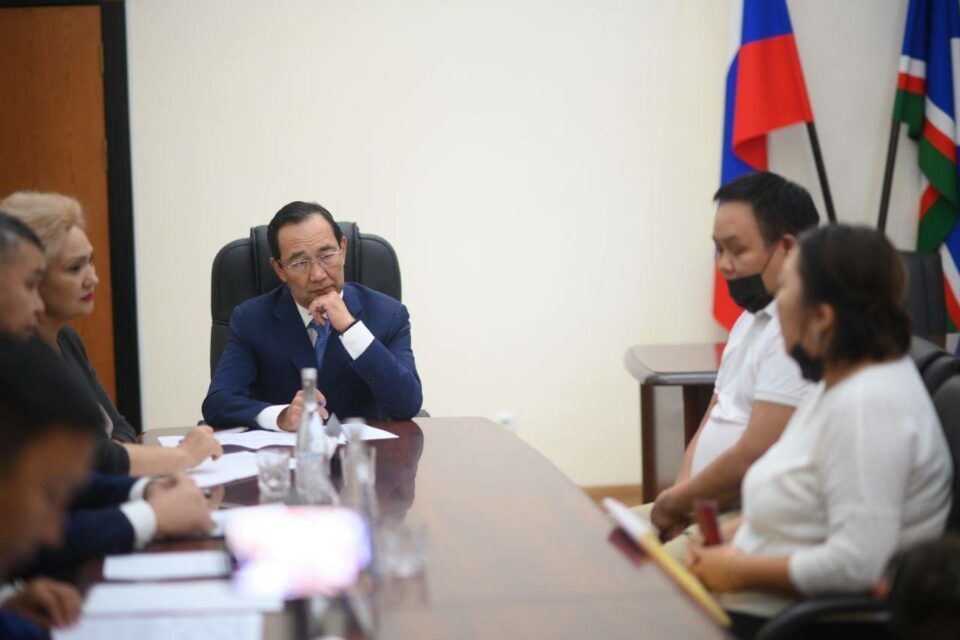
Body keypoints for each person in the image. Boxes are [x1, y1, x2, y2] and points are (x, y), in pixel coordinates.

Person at [688, 225, 952, 637]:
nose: (776, 304)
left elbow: (857, 564)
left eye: (786, 288)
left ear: (822, 317)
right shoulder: (838, 380)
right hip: (753, 602)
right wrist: (724, 536)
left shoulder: (870, 406)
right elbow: (795, 501)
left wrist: (737, 570)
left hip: (793, 622)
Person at [641, 172, 817, 557]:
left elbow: (755, 455)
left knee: (639, 569)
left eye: (736, 250)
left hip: (747, 514)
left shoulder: (798, 330)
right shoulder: (750, 319)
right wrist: (680, 498)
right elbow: (715, 413)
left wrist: (679, 503)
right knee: (603, 541)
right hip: (702, 506)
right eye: (718, 249)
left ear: (788, 248)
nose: (723, 265)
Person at [0, 193, 222, 476]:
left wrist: (111, 465)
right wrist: (183, 456)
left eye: (90, 261)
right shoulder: (16, 359)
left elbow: (119, 428)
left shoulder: (66, 338)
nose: (92, 278)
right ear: (35, 275)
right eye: (74, 268)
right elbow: (86, 456)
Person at [202, 201, 422, 430]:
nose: (318, 275)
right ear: (279, 269)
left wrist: (350, 328)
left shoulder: (388, 315)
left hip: (360, 449)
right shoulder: (251, 319)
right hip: (288, 450)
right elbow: (218, 403)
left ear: (343, 250)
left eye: (327, 255)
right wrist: (281, 417)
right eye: (300, 263)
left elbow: (407, 404)